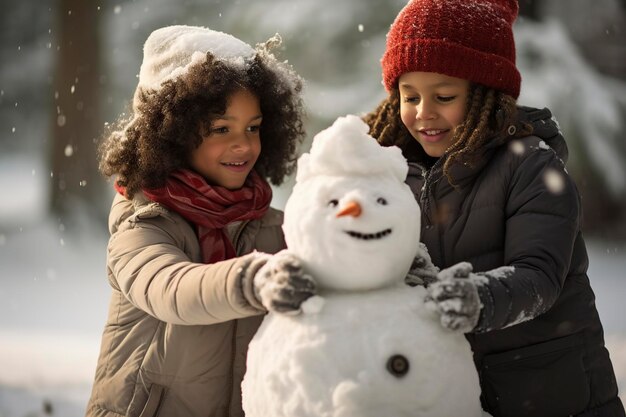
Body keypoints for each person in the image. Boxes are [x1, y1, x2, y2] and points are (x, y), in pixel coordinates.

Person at [363, 1, 625, 416]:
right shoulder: (390, 168)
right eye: (408, 95)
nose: (423, 113)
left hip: (551, 391)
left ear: (486, 94)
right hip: (455, 394)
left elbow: (538, 277)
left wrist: (477, 299)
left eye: (444, 96)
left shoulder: (530, 165)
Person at [85, 25, 315, 417]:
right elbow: (173, 289)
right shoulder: (141, 226)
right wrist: (249, 280)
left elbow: (336, 267)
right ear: (171, 133)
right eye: (220, 129)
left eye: (253, 127)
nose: (243, 144)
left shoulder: (273, 226)